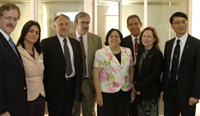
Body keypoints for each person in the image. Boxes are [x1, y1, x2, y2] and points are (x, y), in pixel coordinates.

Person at [41, 14, 82, 116]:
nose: (64, 27)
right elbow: (43, 68)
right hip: (54, 89)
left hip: (71, 87)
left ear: (70, 26)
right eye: (61, 24)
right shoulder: (46, 43)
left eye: (67, 24)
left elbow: (79, 65)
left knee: (68, 113)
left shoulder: (75, 44)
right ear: (55, 27)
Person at [161, 12, 200, 116]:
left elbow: (198, 72)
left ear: (187, 23)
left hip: (187, 94)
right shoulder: (168, 44)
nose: (180, 25)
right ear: (172, 26)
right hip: (169, 92)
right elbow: (166, 69)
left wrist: (196, 95)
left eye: (183, 22)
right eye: (177, 22)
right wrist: (163, 90)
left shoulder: (196, 44)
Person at [93, 28, 135, 116]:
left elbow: (131, 71)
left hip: (125, 91)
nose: (114, 38)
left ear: (120, 39)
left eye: (116, 36)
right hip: (107, 93)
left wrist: (133, 90)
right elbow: (95, 74)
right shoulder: (101, 53)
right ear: (107, 39)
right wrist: (99, 95)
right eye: (111, 36)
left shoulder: (127, 51)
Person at [68, 12, 102, 116]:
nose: (85, 25)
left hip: (89, 82)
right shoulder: (68, 38)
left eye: (87, 23)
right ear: (75, 23)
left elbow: (100, 63)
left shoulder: (96, 39)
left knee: (90, 112)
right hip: (73, 83)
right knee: (73, 112)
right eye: (82, 23)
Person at [0, 3, 27, 116]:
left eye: (15, 19)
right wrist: (2, 110)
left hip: (16, 104)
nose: (11, 22)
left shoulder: (9, 42)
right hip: (6, 108)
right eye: (8, 17)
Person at [16, 20, 45, 116]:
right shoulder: (17, 52)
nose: (34, 35)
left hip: (41, 94)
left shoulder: (39, 52)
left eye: (37, 33)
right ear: (24, 33)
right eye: (31, 31)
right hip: (26, 95)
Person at [132, 27, 163, 116]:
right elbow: (137, 70)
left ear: (154, 39)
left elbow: (154, 75)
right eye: (144, 36)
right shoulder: (142, 51)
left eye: (149, 36)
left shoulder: (157, 54)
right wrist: (135, 83)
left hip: (150, 93)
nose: (146, 39)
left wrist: (138, 86)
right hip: (140, 93)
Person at [121, 14, 142, 116]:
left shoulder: (148, 39)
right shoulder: (123, 42)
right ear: (128, 27)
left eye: (136, 24)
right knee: (130, 109)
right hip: (128, 80)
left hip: (145, 81)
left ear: (140, 24)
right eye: (131, 24)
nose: (134, 26)